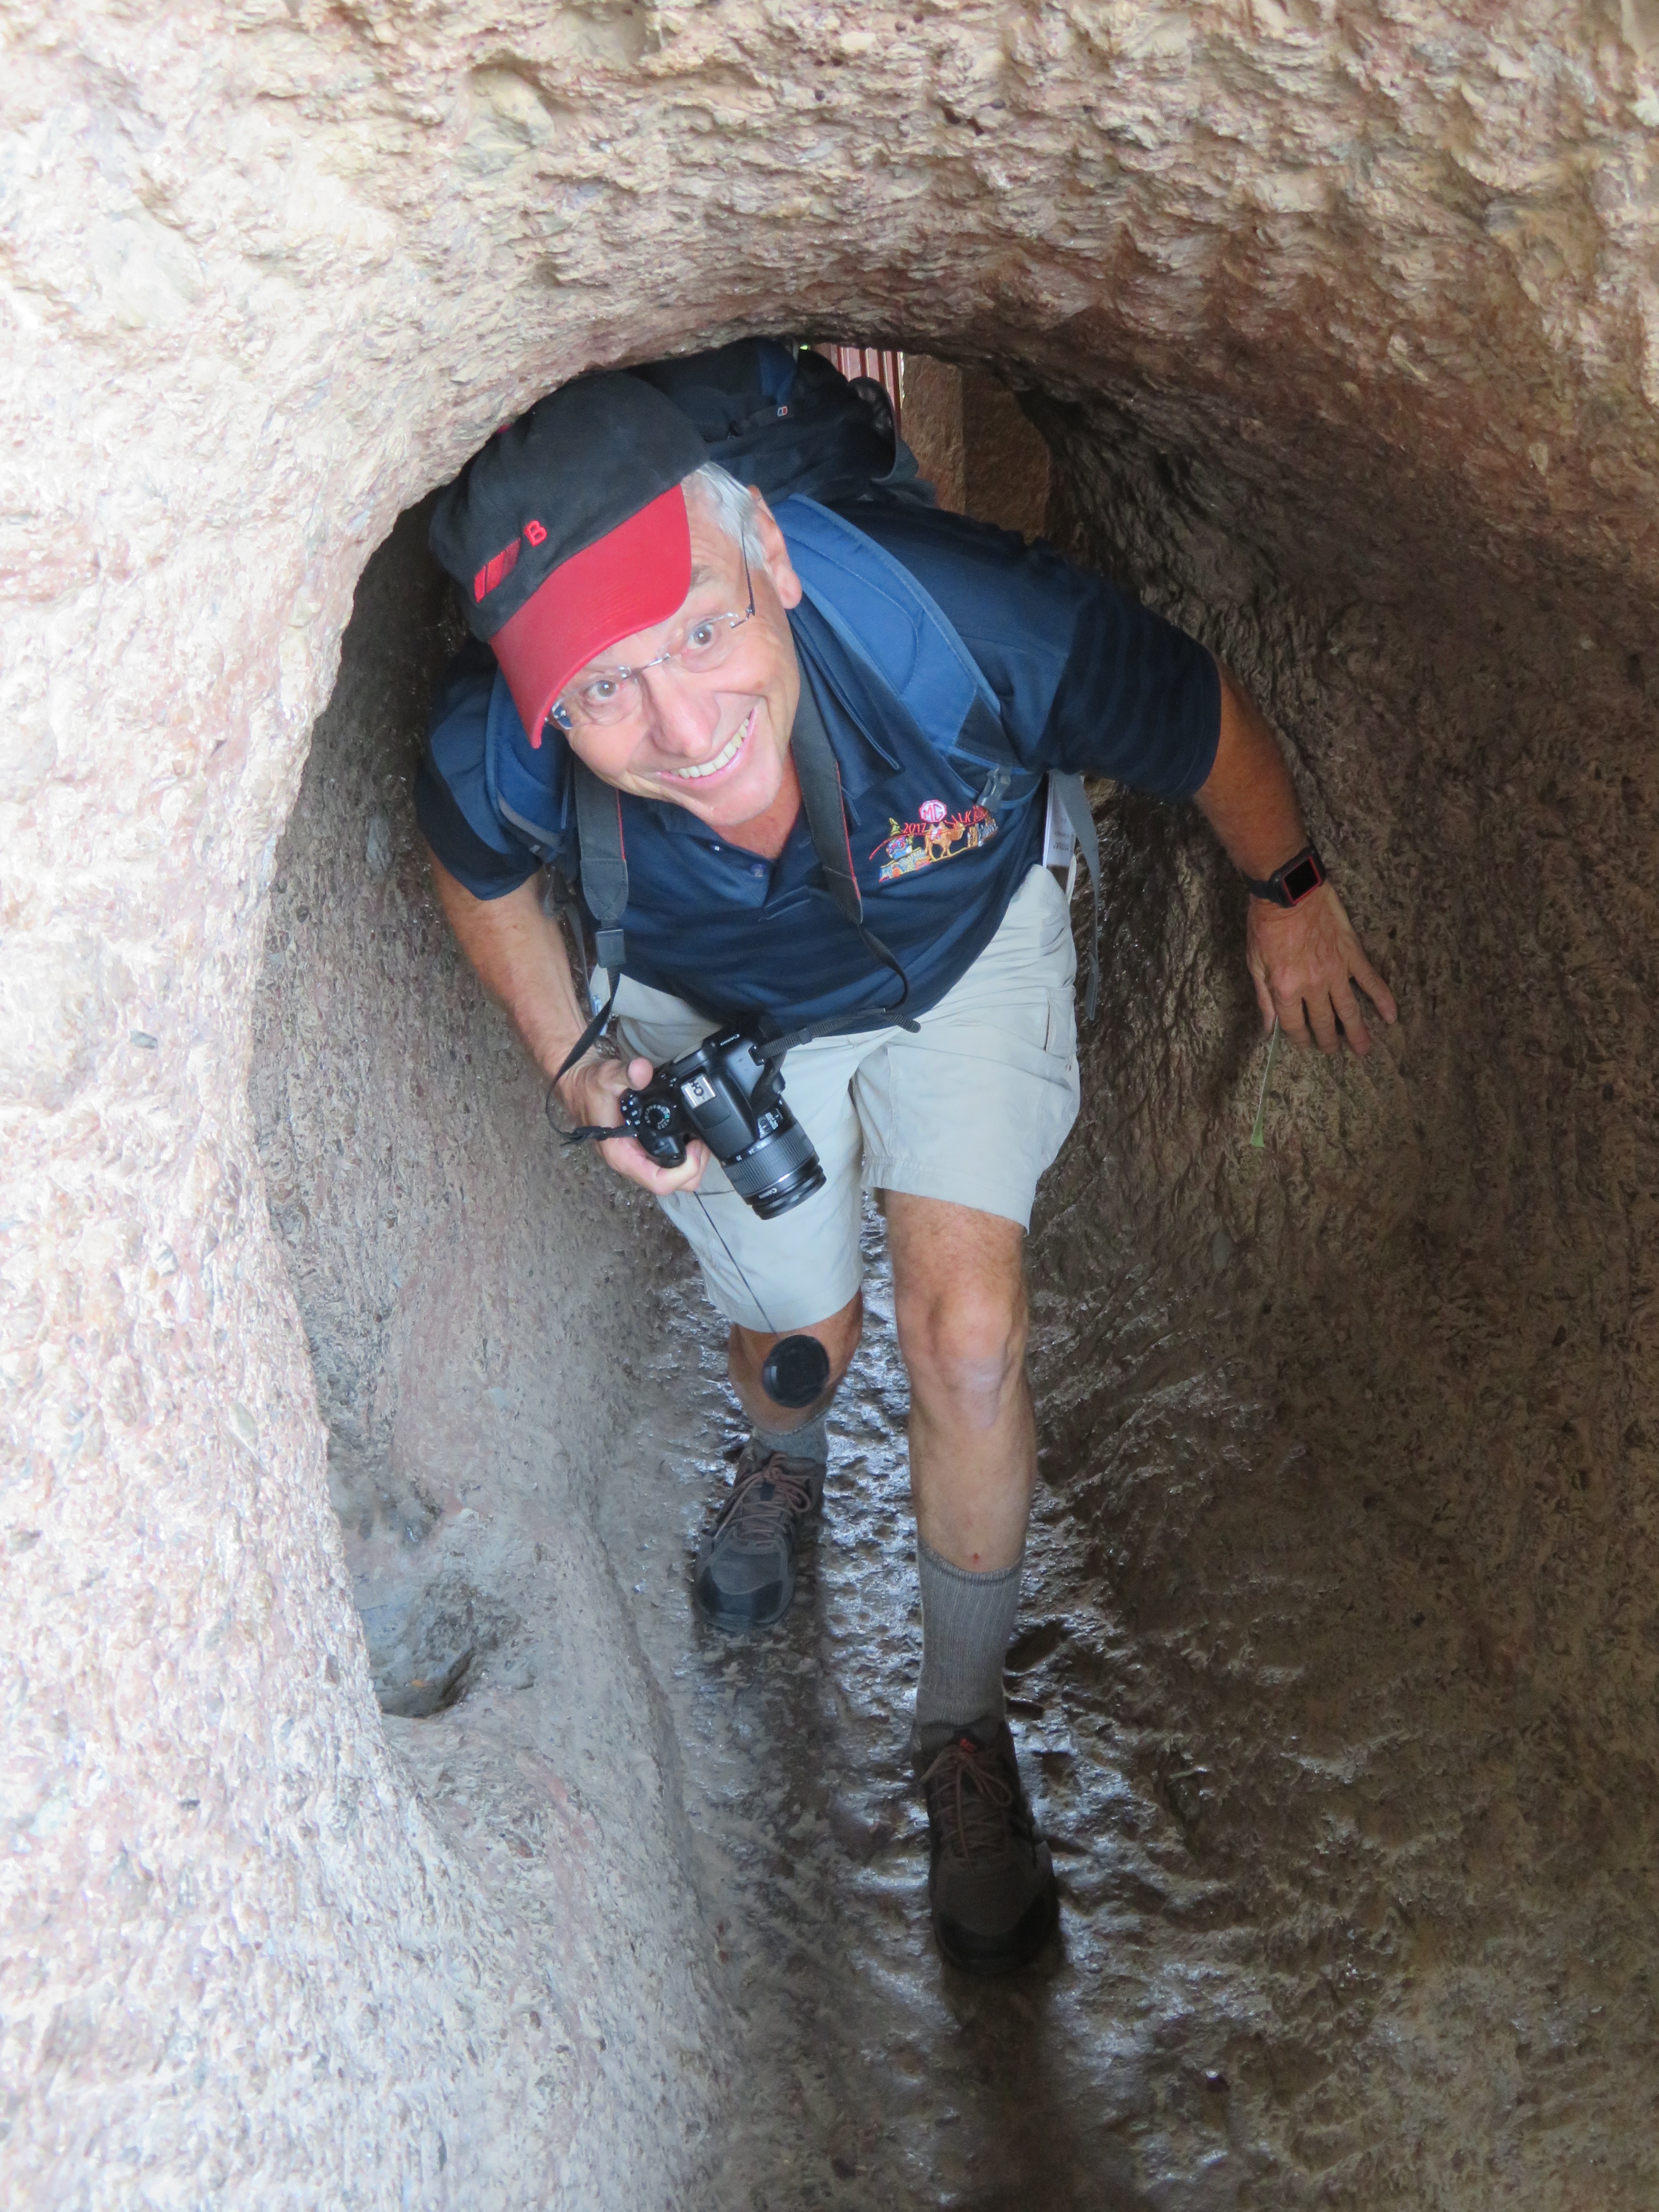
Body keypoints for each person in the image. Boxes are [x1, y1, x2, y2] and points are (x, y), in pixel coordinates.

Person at [416, 360, 1397, 1975]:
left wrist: (1289, 888)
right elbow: (478, 869)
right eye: (601, 690)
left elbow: (1197, 714)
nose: (682, 728)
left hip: (960, 953)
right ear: (542, 703)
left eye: (703, 634)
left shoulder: (967, 626)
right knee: (801, 1328)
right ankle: (785, 1454)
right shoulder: (497, 743)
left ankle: (961, 1724)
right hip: (716, 1007)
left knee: (971, 1336)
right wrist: (576, 1061)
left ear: (772, 559)